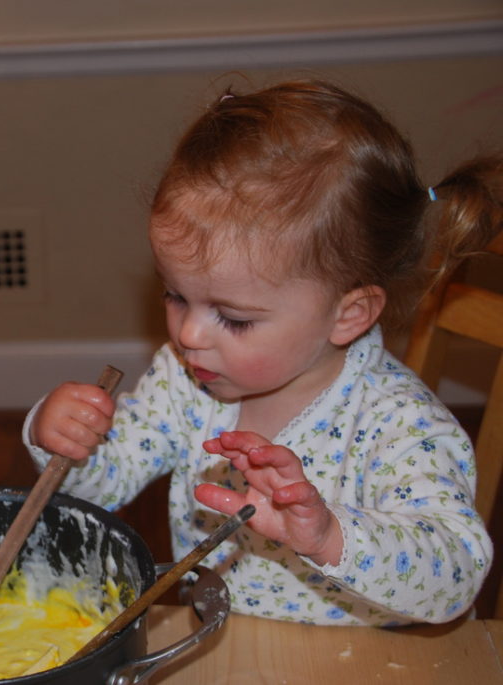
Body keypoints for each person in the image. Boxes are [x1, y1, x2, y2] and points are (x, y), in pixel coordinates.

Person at [25, 79, 500, 625]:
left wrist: (330, 535)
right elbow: (104, 487)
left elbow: (456, 578)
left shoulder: (399, 423)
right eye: (176, 295)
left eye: (234, 317)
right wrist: (63, 440)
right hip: (218, 640)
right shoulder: (185, 380)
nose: (191, 335)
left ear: (349, 315)